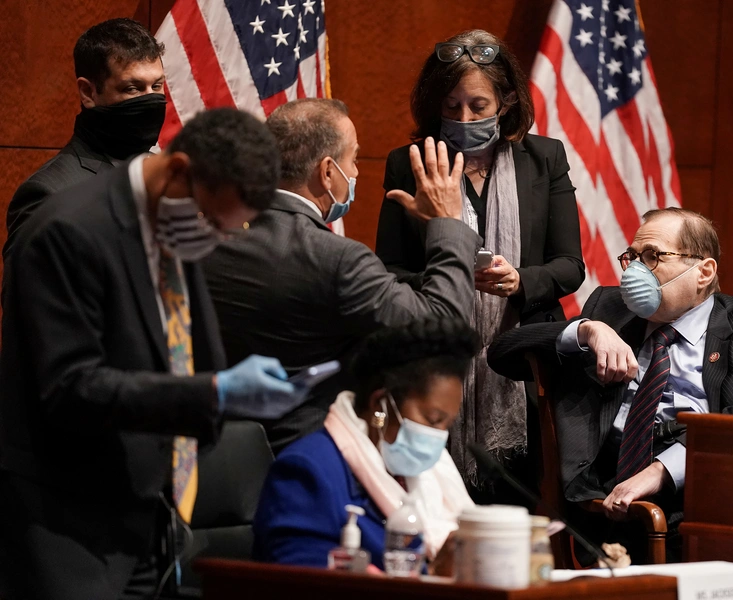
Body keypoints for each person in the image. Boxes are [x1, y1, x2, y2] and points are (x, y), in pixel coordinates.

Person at [0, 109, 310, 600]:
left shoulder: (176, 219)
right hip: (68, 522)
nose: (214, 237)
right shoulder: (65, 231)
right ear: (178, 170)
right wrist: (212, 391)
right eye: (211, 219)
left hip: (150, 515)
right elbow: (69, 388)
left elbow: (179, 348)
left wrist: (229, 396)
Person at [487, 207, 733, 562]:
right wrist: (587, 330)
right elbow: (503, 353)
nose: (635, 270)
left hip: (698, 502)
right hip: (599, 498)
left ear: (704, 271)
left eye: (653, 256)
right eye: (632, 257)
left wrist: (662, 471)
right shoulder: (609, 309)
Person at [203, 98, 480, 453]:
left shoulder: (207, 236)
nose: (358, 171)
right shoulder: (335, 259)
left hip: (210, 455)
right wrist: (447, 224)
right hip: (305, 457)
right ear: (328, 171)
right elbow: (443, 328)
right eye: (354, 158)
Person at [375, 29, 585, 493]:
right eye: (451, 107)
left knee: (520, 503)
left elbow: (570, 265)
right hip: (436, 363)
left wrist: (520, 279)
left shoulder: (543, 159)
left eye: (478, 106)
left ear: (506, 101)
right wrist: (449, 274)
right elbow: (387, 273)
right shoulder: (408, 163)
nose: (463, 117)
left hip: (525, 365)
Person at [253, 319, 479, 571]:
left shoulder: (421, 475)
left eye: (447, 424)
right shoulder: (307, 471)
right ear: (379, 404)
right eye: (433, 419)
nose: (439, 436)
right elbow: (300, 583)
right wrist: (434, 575)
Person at [5, 18, 167, 257]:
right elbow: (30, 293)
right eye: (132, 88)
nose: (150, 99)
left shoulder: (165, 177)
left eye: (156, 86)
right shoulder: (49, 194)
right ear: (88, 92)